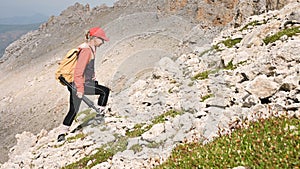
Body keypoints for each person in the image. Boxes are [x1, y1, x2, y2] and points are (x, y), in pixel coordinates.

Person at [57, 27, 110, 142]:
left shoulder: (90, 48)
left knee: (73, 110)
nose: (103, 42)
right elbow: (78, 72)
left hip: (78, 83)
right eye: (102, 40)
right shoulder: (86, 50)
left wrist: (92, 76)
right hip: (79, 84)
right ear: (95, 38)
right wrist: (80, 89)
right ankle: (99, 117)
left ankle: (62, 133)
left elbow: (87, 67)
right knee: (105, 91)